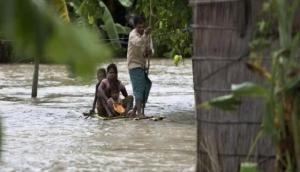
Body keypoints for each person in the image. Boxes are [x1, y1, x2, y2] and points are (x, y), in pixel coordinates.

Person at [127, 15, 152, 117]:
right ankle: (139, 113)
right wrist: (145, 34)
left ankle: (134, 111)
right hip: (134, 65)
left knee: (147, 85)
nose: (141, 29)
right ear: (135, 27)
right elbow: (138, 43)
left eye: (143, 27)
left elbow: (150, 49)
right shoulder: (132, 35)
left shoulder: (147, 35)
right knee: (139, 89)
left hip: (142, 65)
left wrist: (149, 52)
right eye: (139, 27)